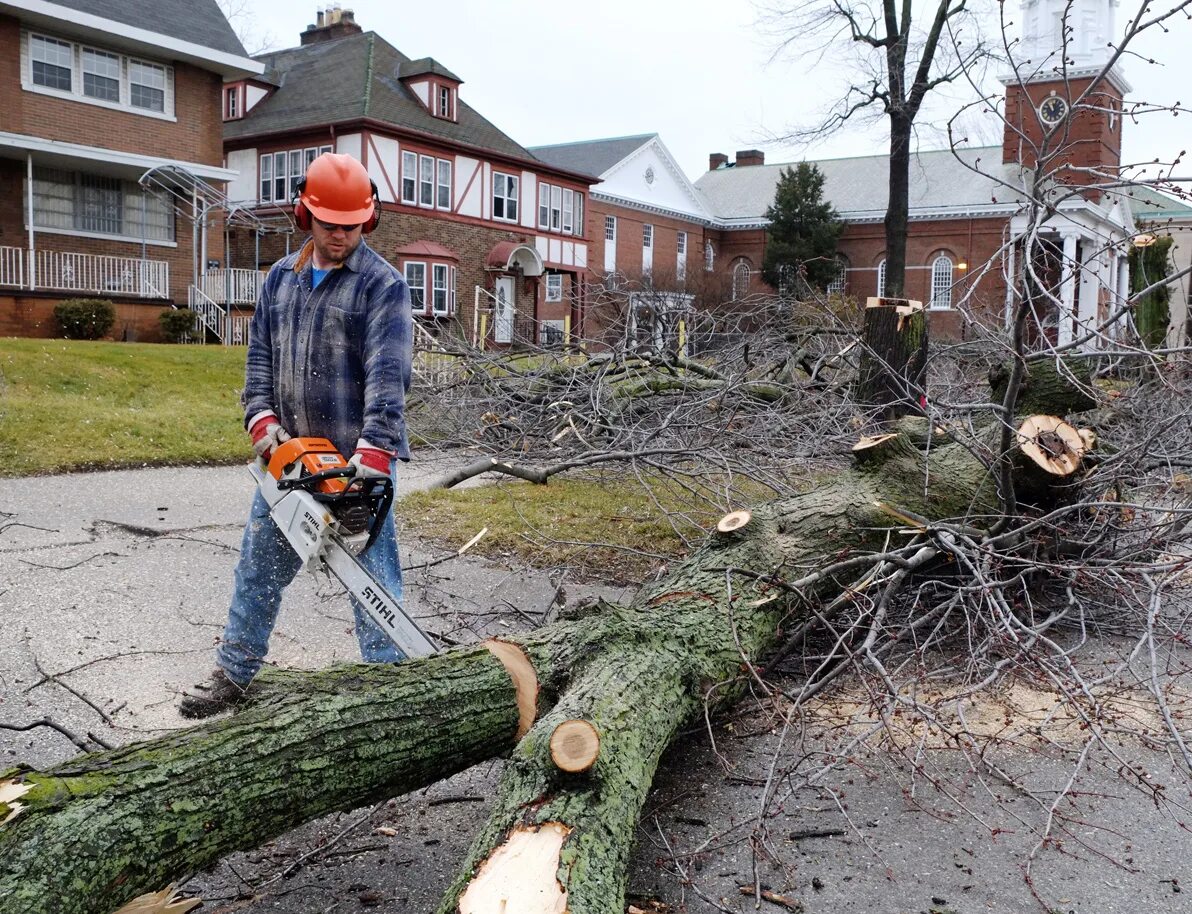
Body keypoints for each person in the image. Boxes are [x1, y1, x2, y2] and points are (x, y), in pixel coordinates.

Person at [179, 153, 413, 718]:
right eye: (329, 224)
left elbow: (390, 373)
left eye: (351, 225)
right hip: (290, 459)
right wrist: (260, 419)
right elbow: (259, 358)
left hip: (353, 461)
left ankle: (390, 695)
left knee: (370, 578)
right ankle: (233, 673)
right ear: (304, 214)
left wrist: (374, 455)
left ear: (368, 220)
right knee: (257, 566)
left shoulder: (383, 286)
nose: (340, 235)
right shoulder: (279, 280)